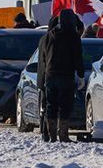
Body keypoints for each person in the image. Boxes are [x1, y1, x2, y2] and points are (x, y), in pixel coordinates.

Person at [40, 9, 85, 143]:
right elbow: (78, 58)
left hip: (50, 75)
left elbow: (43, 57)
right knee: (65, 106)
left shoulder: (48, 37)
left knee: (51, 106)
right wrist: (81, 75)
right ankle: (63, 135)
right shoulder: (73, 37)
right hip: (66, 76)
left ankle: (52, 135)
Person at [35, 15, 59, 142]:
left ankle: (45, 132)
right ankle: (47, 132)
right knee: (48, 106)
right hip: (47, 77)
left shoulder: (43, 39)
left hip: (43, 77)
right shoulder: (50, 40)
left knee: (46, 106)